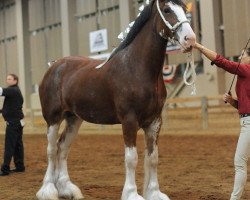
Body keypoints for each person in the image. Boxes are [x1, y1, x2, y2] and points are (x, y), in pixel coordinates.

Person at [194, 42, 250, 200]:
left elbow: (221, 61)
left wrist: (199, 46)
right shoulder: (245, 75)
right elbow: (245, 106)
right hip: (246, 121)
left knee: (239, 162)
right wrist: (233, 101)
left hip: (249, 125)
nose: (239, 57)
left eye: (242, 55)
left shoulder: (246, 70)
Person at [0, 74, 25, 176]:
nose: (7, 80)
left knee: (9, 146)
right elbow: (12, 107)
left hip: (13, 123)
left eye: (9, 79)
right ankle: (20, 166)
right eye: (7, 78)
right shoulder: (16, 91)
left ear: (15, 81)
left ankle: (5, 169)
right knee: (18, 145)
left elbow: (1, 91)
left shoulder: (12, 90)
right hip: (18, 122)